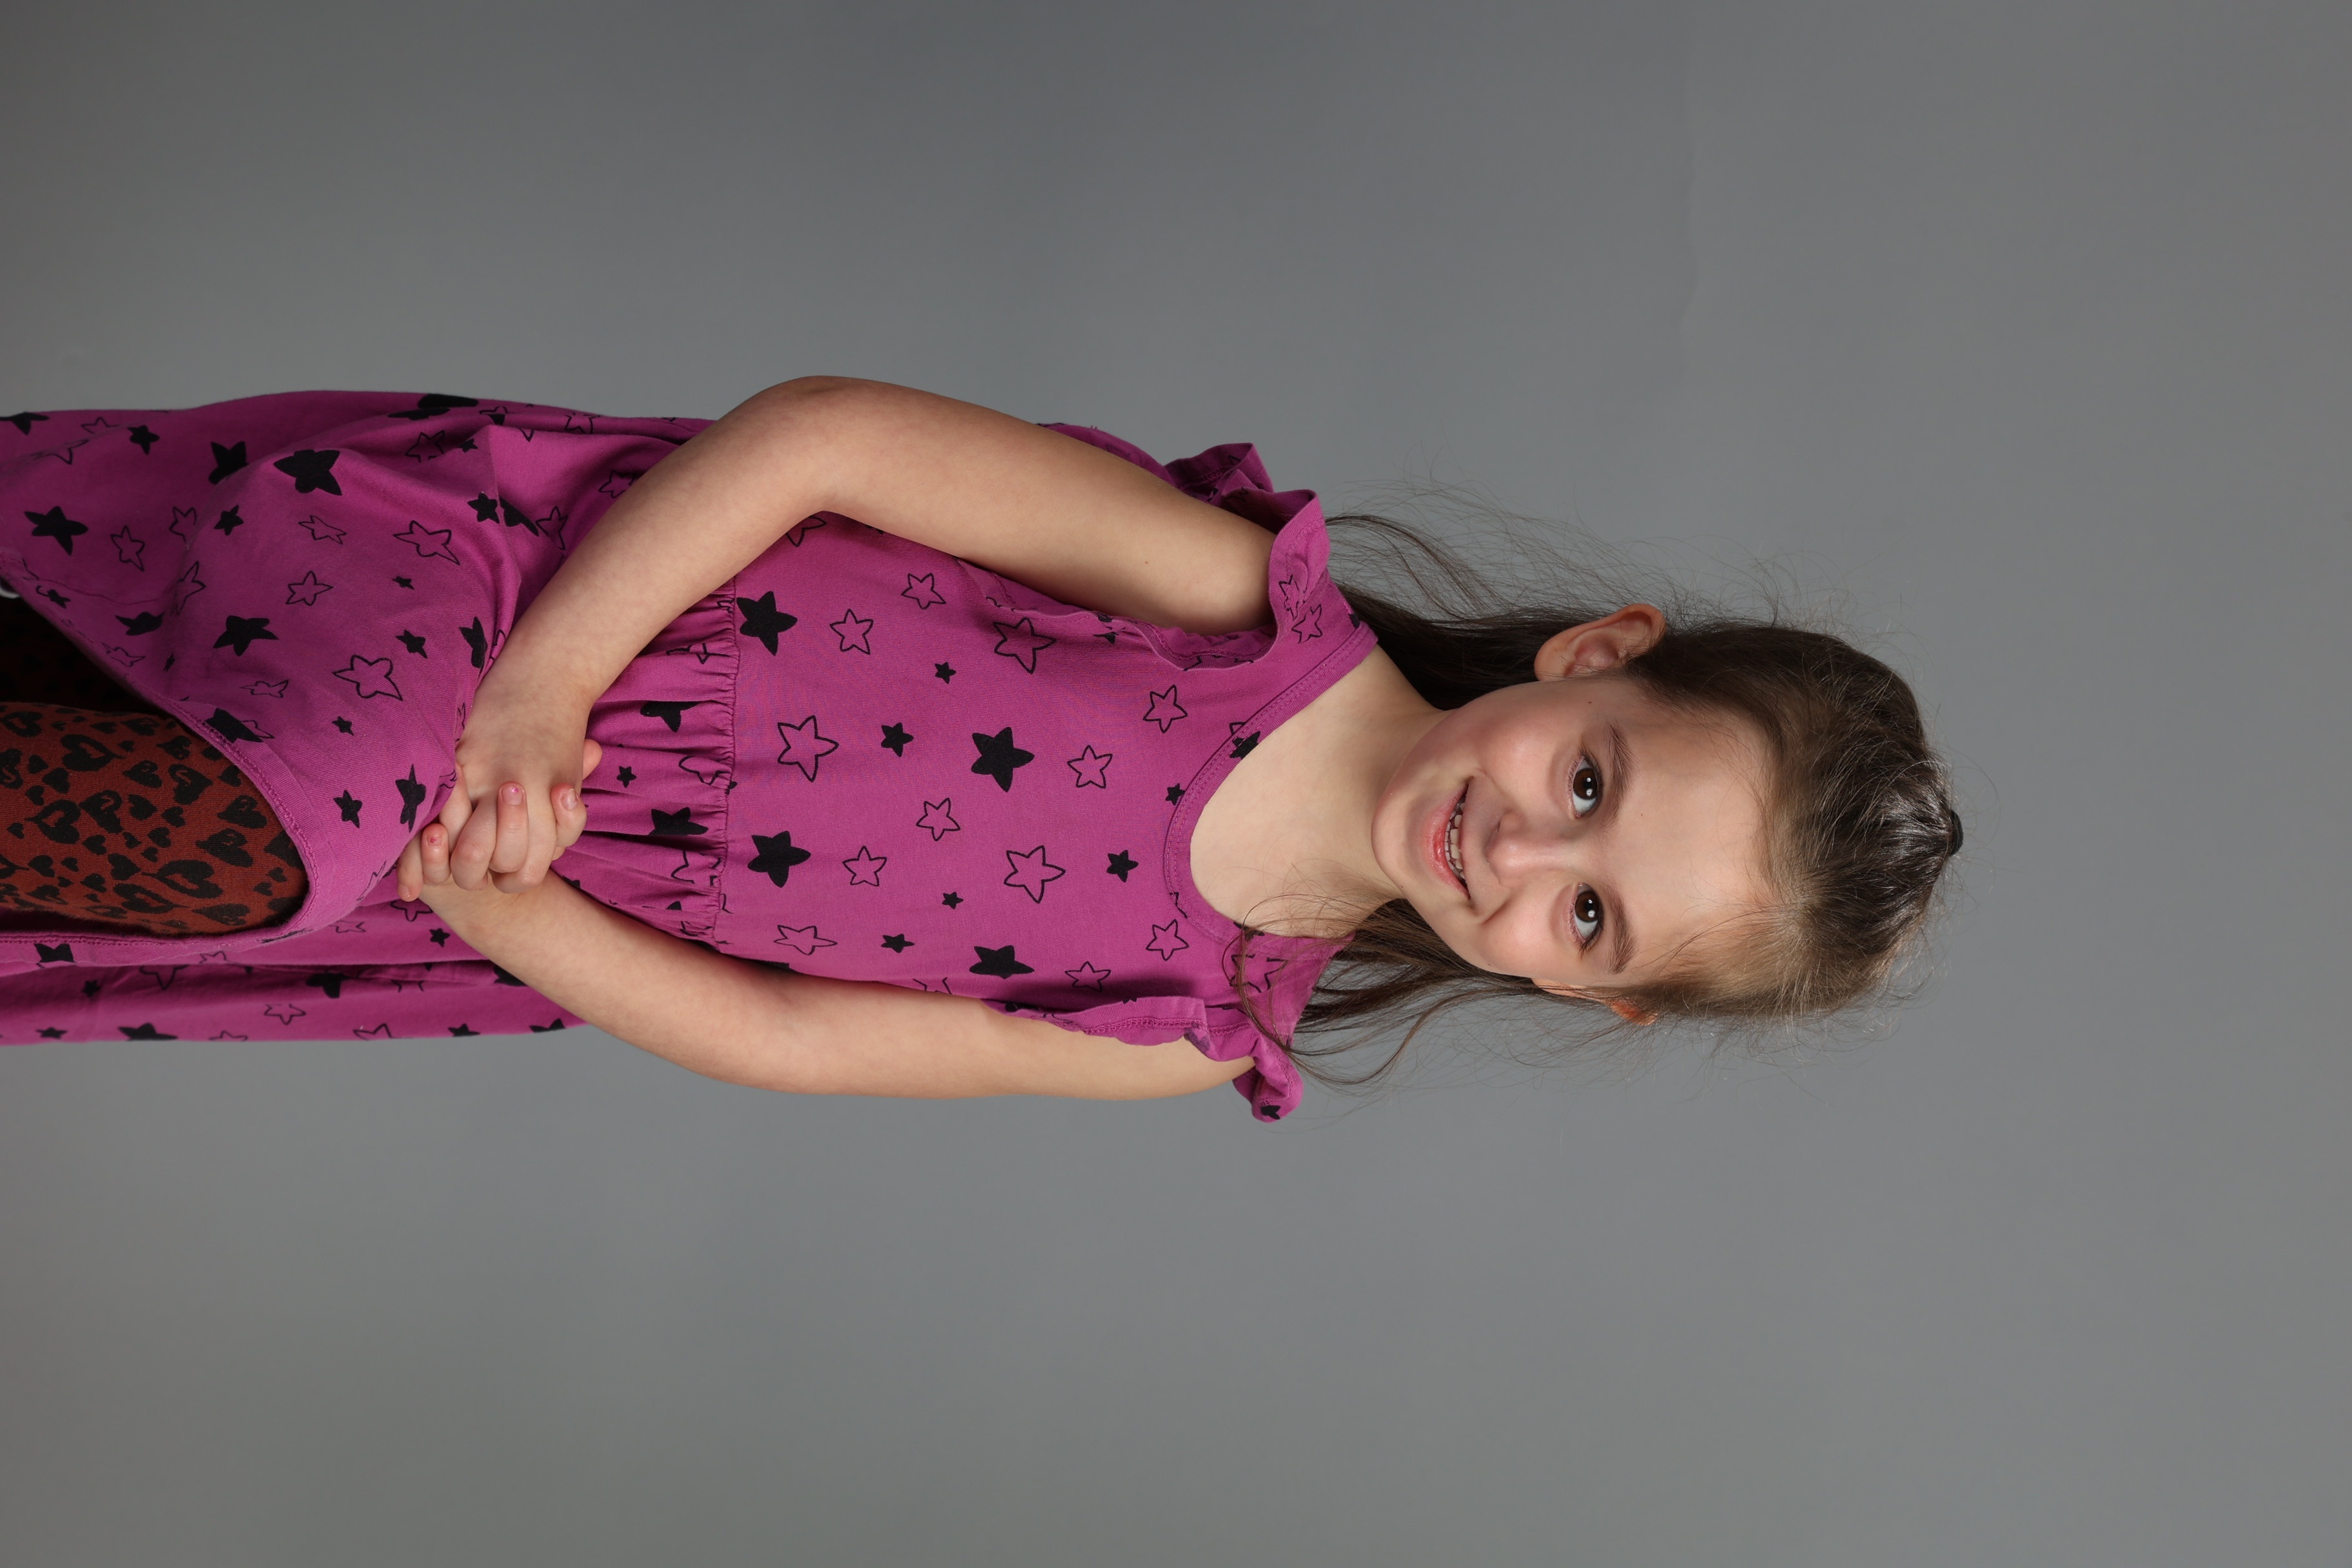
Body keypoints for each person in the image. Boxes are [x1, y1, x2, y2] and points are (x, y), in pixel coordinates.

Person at [1, 380, 1959, 1120]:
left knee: (230, 835)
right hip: (510, 612)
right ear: (1596, 657)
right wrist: (541, 688)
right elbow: (828, 441)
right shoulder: (1236, 606)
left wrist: (504, 904)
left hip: (489, 867)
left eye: (1591, 915)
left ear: (1588, 994)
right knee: (271, 823)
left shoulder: (1191, 1030)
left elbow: (792, 1037)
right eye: (1590, 782)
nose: (1522, 855)